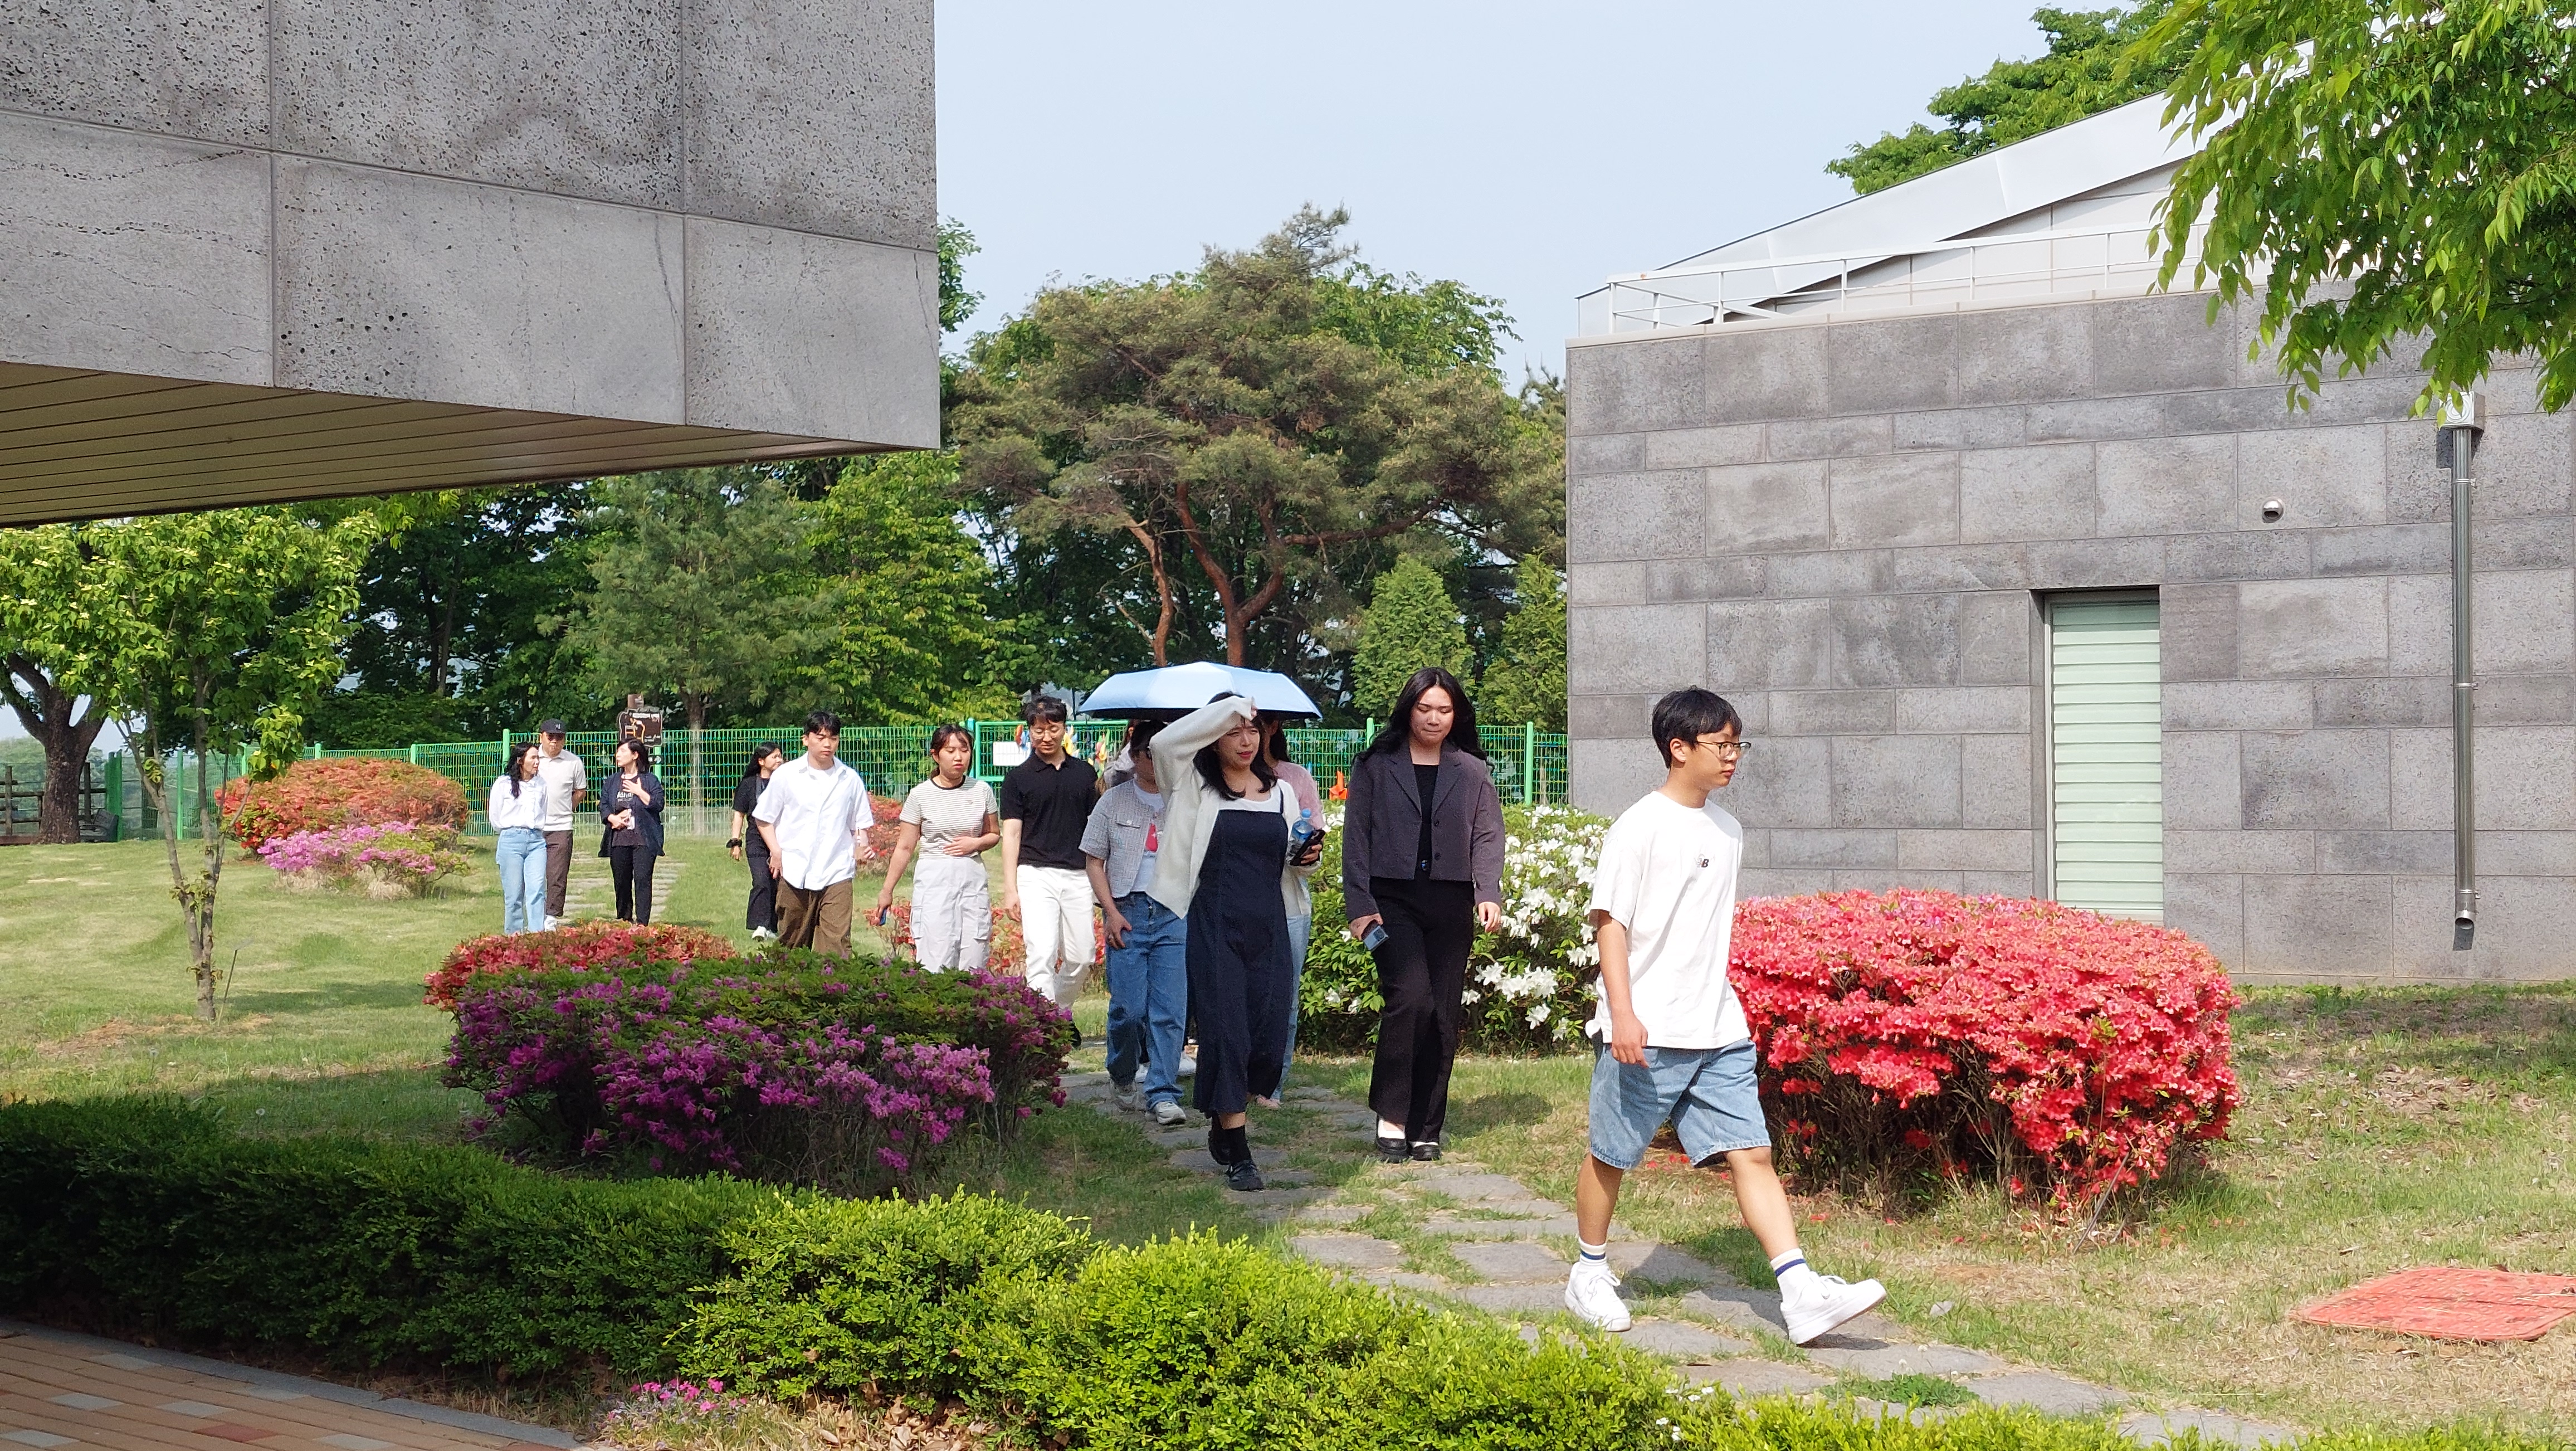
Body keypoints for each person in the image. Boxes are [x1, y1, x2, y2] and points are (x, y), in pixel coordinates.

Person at [1563, 688, 1886, 1345]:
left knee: (1753, 1153)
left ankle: (1798, 1290)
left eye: (1738, 744)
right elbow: (1611, 927)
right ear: (1678, 749)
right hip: (1646, 1028)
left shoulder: (1728, 830)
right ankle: (1588, 1273)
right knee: (1612, 1155)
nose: (1733, 757)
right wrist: (1621, 1013)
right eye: (1722, 745)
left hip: (1718, 1028)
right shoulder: (1638, 827)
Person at [1148, 694, 1325, 1192]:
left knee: (1267, 1040)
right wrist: (1228, 706)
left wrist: (1306, 855)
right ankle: (1240, 1153)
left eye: (1253, 729)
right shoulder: (1191, 786)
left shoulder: (1281, 792)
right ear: (1212, 734)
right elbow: (1164, 743)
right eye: (1233, 730)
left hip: (1270, 923)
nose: (1246, 740)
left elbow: (1295, 862)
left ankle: (1221, 1117)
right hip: (1213, 924)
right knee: (1225, 1033)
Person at [1341, 666, 1505, 1163]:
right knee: (1410, 999)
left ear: (1457, 715)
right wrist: (1360, 907)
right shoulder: (1375, 765)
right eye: (1425, 708)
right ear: (1409, 708)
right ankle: (1392, 1114)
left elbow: (1487, 834)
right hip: (1390, 903)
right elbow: (1357, 839)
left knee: (1442, 1015)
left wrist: (1488, 890)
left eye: (1445, 709)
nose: (1434, 718)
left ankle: (1427, 1126)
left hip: (1450, 902)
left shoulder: (1472, 770)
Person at [1082, 719, 1188, 1126]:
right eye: (1150, 754)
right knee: (1128, 1009)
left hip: (1172, 911)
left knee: (1170, 1009)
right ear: (1137, 755)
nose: (1157, 762)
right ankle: (1122, 1072)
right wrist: (1110, 912)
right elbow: (1093, 860)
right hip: (1126, 910)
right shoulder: (1113, 801)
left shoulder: (1184, 800)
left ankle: (1162, 1092)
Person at [999, 697, 1101, 1010]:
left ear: (1064, 729)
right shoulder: (1017, 779)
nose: (1046, 737)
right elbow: (1012, 834)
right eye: (1039, 730)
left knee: (1082, 957)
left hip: (1078, 875)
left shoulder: (1085, 774)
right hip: (1035, 875)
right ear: (1029, 730)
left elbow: (1097, 832)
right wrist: (1010, 888)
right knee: (1041, 954)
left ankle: (1057, 1012)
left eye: (1053, 729)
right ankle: (1044, 1028)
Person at [878, 725, 1002, 970]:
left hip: (971, 879)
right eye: (951, 750)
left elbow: (994, 835)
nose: (959, 757)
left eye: (964, 750)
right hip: (935, 879)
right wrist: (887, 890)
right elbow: (905, 847)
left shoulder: (981, 790)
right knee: (936, 956)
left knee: (974, 956)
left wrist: (975, 843)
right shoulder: (920, 795)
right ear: (936, 755)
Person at [754, 710, 877, 956]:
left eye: (833, 738)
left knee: (837, 945)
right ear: (806, 739)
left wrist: (862, 846)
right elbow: (764, 818)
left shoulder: (850, 779)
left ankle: (834, 991)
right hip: (795, 869)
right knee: (791, 943)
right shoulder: (787, 776)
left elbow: (859, 824)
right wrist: (776, 852)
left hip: (837, 870)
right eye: (820, 737)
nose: (827, 744)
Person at [1262, 715, 1322, 1098]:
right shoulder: (1213, 783)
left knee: (1284, 998)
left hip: (1289, 904)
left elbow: (1312, 861)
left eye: (1260, 724)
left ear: (1274, 727)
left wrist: (1305, 855)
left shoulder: (1294, 780)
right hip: (1232, 904)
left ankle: (1272, 1085)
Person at [598, 737, 665, 924]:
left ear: (635, 755)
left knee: (643, 881)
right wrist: (612, 819)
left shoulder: (649, 780)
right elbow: (604, 805)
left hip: (644, 840)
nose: (618, 755)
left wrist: (638, 791)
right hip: (619, 840)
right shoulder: (612, 781)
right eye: (617, 752)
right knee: (621, 882)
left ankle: (643, 924)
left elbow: (658, 804)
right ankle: (624, 921)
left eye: (622, 752)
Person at [487, 740, 549, 934]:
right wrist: (511, 832)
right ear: (521, 760)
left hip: (536, 841)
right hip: (511, 841)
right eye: (533, 758)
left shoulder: (541, 784)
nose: (537, 762)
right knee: (514, 894)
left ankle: (537, 936)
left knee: (537, 890)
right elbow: (495, 817)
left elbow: (543, 812)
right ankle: (514, 937)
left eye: (538, 758)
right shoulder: (503, 784)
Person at [728, 744, 786, 939]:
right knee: (761, 881)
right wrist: (736, 842)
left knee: (778, 884)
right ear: (761, 761)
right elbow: (739, 814)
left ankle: (775, 926)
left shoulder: (786, 783)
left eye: (780, 757)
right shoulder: (749, 785)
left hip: (782, 840)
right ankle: (760, 925)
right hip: (756, 841)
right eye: (774, 757)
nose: (779, 760)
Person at [533, 719, 587, 929]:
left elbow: (580, 791)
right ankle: (534, 911)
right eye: (550, 737)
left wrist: (567, 808)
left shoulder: (573, 762)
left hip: (561, 826)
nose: (554, 742)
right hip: (534, 825)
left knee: (557, 873)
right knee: (533, 873)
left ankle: (551, 916)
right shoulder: (532, 758)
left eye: (559, 738)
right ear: (541, 737)